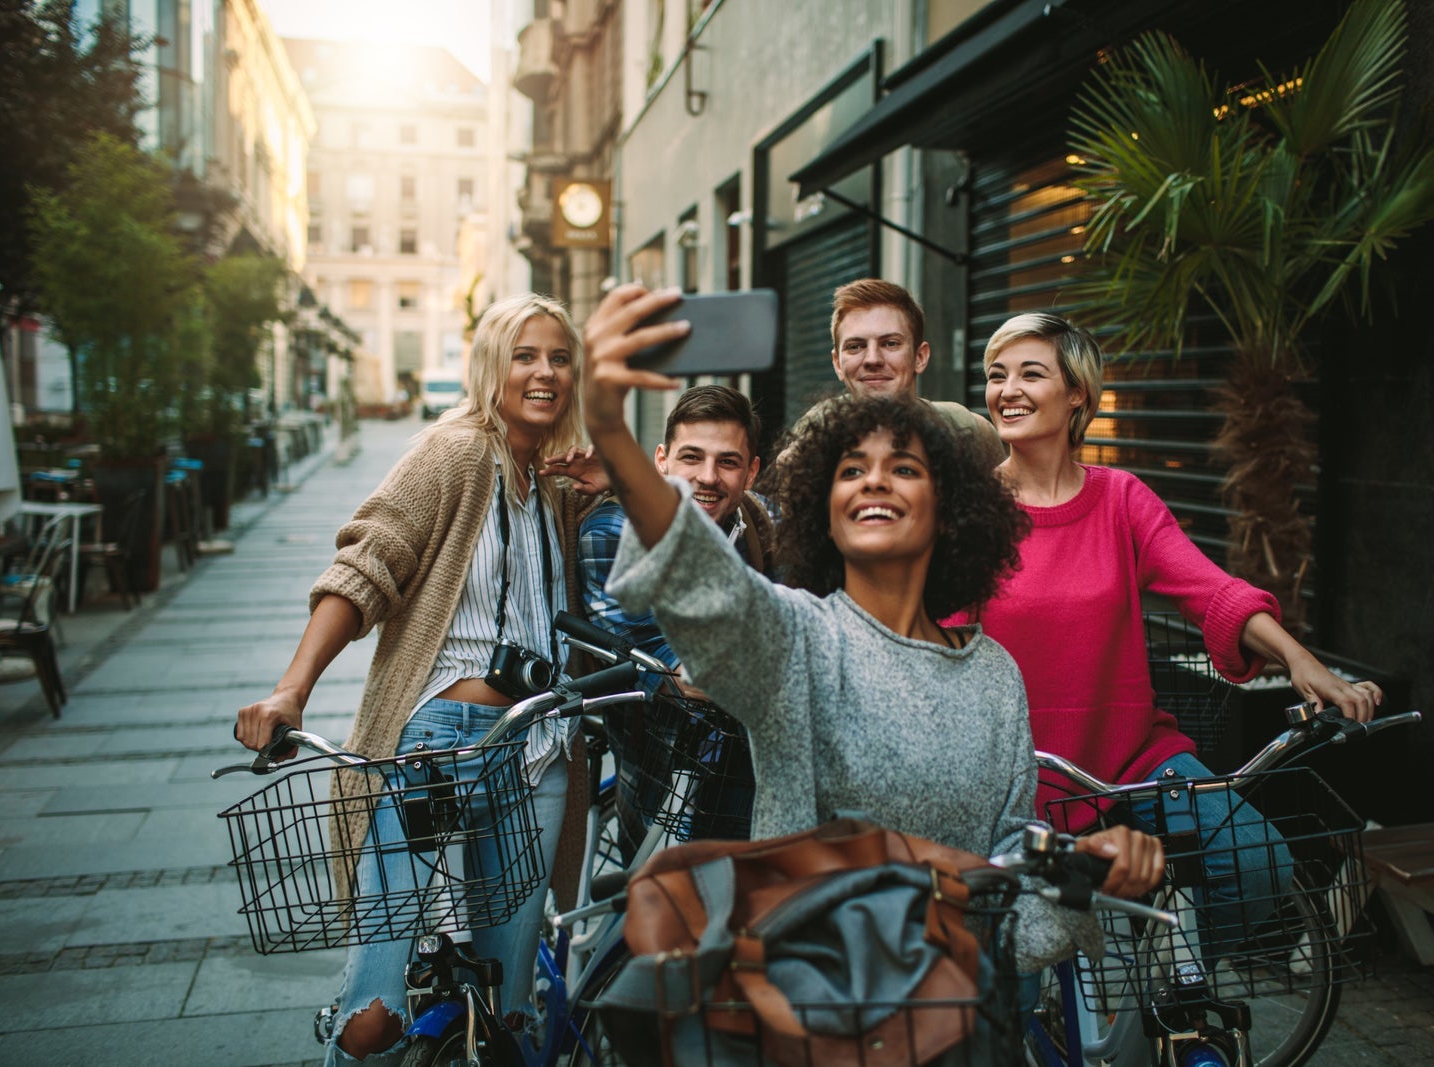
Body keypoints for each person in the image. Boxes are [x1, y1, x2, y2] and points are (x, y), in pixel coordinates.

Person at [578, 283, 1164, 974]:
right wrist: (610, 427)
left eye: (904, 468)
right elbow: (702, 578)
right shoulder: (797, 641)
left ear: (949, 509)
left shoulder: (993, 675)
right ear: (822, 513)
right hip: (815, 1003)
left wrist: (1084, 872)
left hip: (952, 1011)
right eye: (851, 470)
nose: (874, 481)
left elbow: (1008, 868)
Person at [233, 294, 604, 1066]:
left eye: (559, 358)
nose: (544, 372)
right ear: (491, 364)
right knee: (374, 1016)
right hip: (437, 748)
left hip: (538, 752)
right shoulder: (456, 453)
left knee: (507, 1011)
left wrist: (608, 481)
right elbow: (367, 563)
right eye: (525, 355)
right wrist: (293, 688)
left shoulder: (554, 481)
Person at [956, 310, 1383, 935]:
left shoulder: (1121, 498)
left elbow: (1210, 590)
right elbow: (943, 646)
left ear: (1077, 393)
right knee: (1025, 949)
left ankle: (1173, 970)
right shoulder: (971, 512)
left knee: (1257, 862)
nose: (1007, 390)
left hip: (1135, 759)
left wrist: (1301, 661)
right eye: (997, 375)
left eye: (1030, 374)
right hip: (1014, 775)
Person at [578, 384, 771, 850]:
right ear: (662, 460)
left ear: (751, 471)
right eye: (692, 457)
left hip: (754, 781)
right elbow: (684, 672)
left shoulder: (756, 526)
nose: (708, 477)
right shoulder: (614, 532)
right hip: (666, 782)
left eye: (727, 462)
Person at [787, 279, 1006, 468]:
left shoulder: (965, 431)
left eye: (890, 343)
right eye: (855, 347)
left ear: (920, 357)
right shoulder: (817, 432)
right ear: (837, 363)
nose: (872, 359)